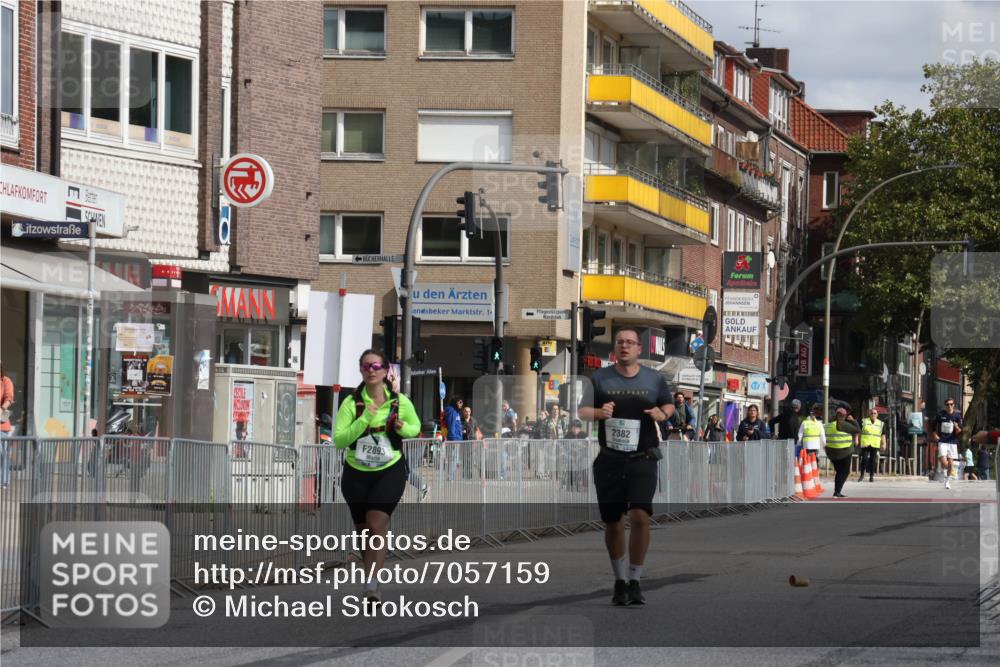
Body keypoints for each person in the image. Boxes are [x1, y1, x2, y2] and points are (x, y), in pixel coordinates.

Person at [578, 327, 675, 607]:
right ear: (614, 348)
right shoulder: (599, 378)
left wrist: (662, 413)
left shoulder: (654, 379)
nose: (624, 346)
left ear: (638, 349)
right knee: (614, 523)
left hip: (642, 457)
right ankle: (620, 582)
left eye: (630, 343)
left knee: (640, 516)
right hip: (609, 458)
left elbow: (668, 406)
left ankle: (635, 580)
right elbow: (581, 410)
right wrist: (597, 413)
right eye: (620, 342)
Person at [334, 349, 421, 604]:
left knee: (376, 525)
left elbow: (416, 427)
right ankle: (369, 573)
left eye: (375, 366)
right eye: (365, 367)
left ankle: (373, 583)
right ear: (360, 370)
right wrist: (365, 419)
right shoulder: (352, 403)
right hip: (356, 473)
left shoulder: (399, 402)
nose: (370, 371)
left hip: (389, 470)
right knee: (362, 531)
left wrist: (405, 428)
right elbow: (339, 440)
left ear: (385, 371)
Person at [826, 407, 860, 498]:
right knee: (844, 472)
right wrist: (853, 421)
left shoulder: (829, 425)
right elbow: (857, 430)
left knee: (839, 472)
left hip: (832, 452)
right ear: (844, 416)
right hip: (845, 452)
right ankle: (837, 492)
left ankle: (837, 492)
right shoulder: (845, 425)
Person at [935, 398, 963, 490]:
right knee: (943, 461)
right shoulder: (940, 415)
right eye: (947, 404)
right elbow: (933, 426)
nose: (949, 406)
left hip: (952, 442)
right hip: (942, 441)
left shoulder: (957, 416)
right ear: (945, 405)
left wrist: (957, 427)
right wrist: (935, 435)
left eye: (951, 404)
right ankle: (945, 471)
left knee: (950, 463)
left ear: (953, 405)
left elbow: (959, 431)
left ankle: (947, 481)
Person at [858, 407, 886, 483]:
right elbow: (858, 432)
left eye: (874, 413)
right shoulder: (864, 421)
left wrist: (884, 444)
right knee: (864, 459)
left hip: (875, 444)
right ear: (869, 414)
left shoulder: (881, 424)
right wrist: (856, 439)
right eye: (871, 413)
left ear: (877, 415)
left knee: (873, 461)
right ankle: (862, 475)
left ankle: (871, 476)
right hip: (866, 443)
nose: (873, 414)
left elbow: (883, 435)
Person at [443, 397, 464, 481]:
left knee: (454, 458)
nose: (461, 404)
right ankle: (450, 477)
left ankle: (451, 476)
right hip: (454, 439)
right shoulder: (452, 411)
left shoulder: (456, 411)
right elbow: (451, 426)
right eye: (459, 402)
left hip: (457, 438)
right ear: (455, 402)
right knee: (453, 458)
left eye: (462, 402)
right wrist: (453, 439)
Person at [1, 362, 14, 489]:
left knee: (1, 453)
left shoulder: (5, 381)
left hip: (1, 425)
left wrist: (1, 409)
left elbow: (8, 398)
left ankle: (3, 481)